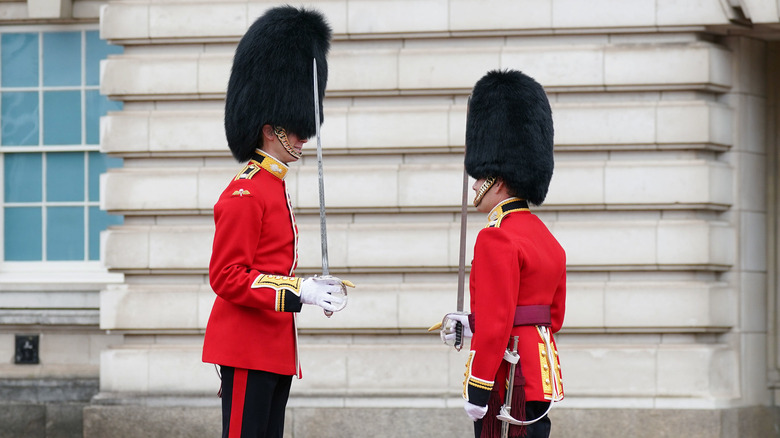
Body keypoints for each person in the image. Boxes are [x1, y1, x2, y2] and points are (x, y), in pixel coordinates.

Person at [201, 6, 352, 438]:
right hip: (248, 347)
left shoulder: (272, 186)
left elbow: (270, 267)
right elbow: (228, 277)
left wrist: (308, 292)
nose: (305, 138)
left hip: (271, 347)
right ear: (271, 129)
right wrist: (297, 290)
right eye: (297, 129)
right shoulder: (246, 192)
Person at [440, 70, 566, 438]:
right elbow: (552, 316)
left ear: (498, 179)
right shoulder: (547, 239)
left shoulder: (496, 238)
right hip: (540, 373)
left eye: (481, 177)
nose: (476, 184)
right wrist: (472, 321)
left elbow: (498, 323)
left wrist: (477, 386)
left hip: (507, 378)